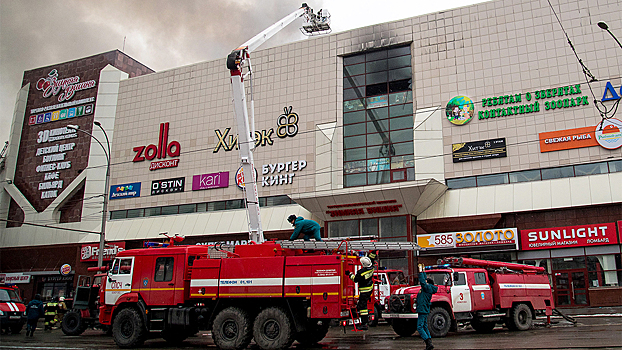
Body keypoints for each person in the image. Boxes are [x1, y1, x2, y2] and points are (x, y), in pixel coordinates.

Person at [345, 252, 377, 330]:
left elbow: (355, 279)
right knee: (362, 305)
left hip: (364, 291)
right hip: (369, 289)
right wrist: (373, 251)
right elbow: (371, 259)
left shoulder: (361, 273)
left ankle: (364, 324)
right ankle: (364, 321)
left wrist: (349, 274)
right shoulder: (372, 268)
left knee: (363, 307)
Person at [416, 264, 438, 350]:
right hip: (424, 309)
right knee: (424, 326)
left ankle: (427, 341)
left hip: (422, 309)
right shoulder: (428, 288)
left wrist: (420, 272)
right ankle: (429, 343)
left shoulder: (427, 288)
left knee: (420, 327)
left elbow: (422, 282)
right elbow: (424, 280)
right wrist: (423, 271)